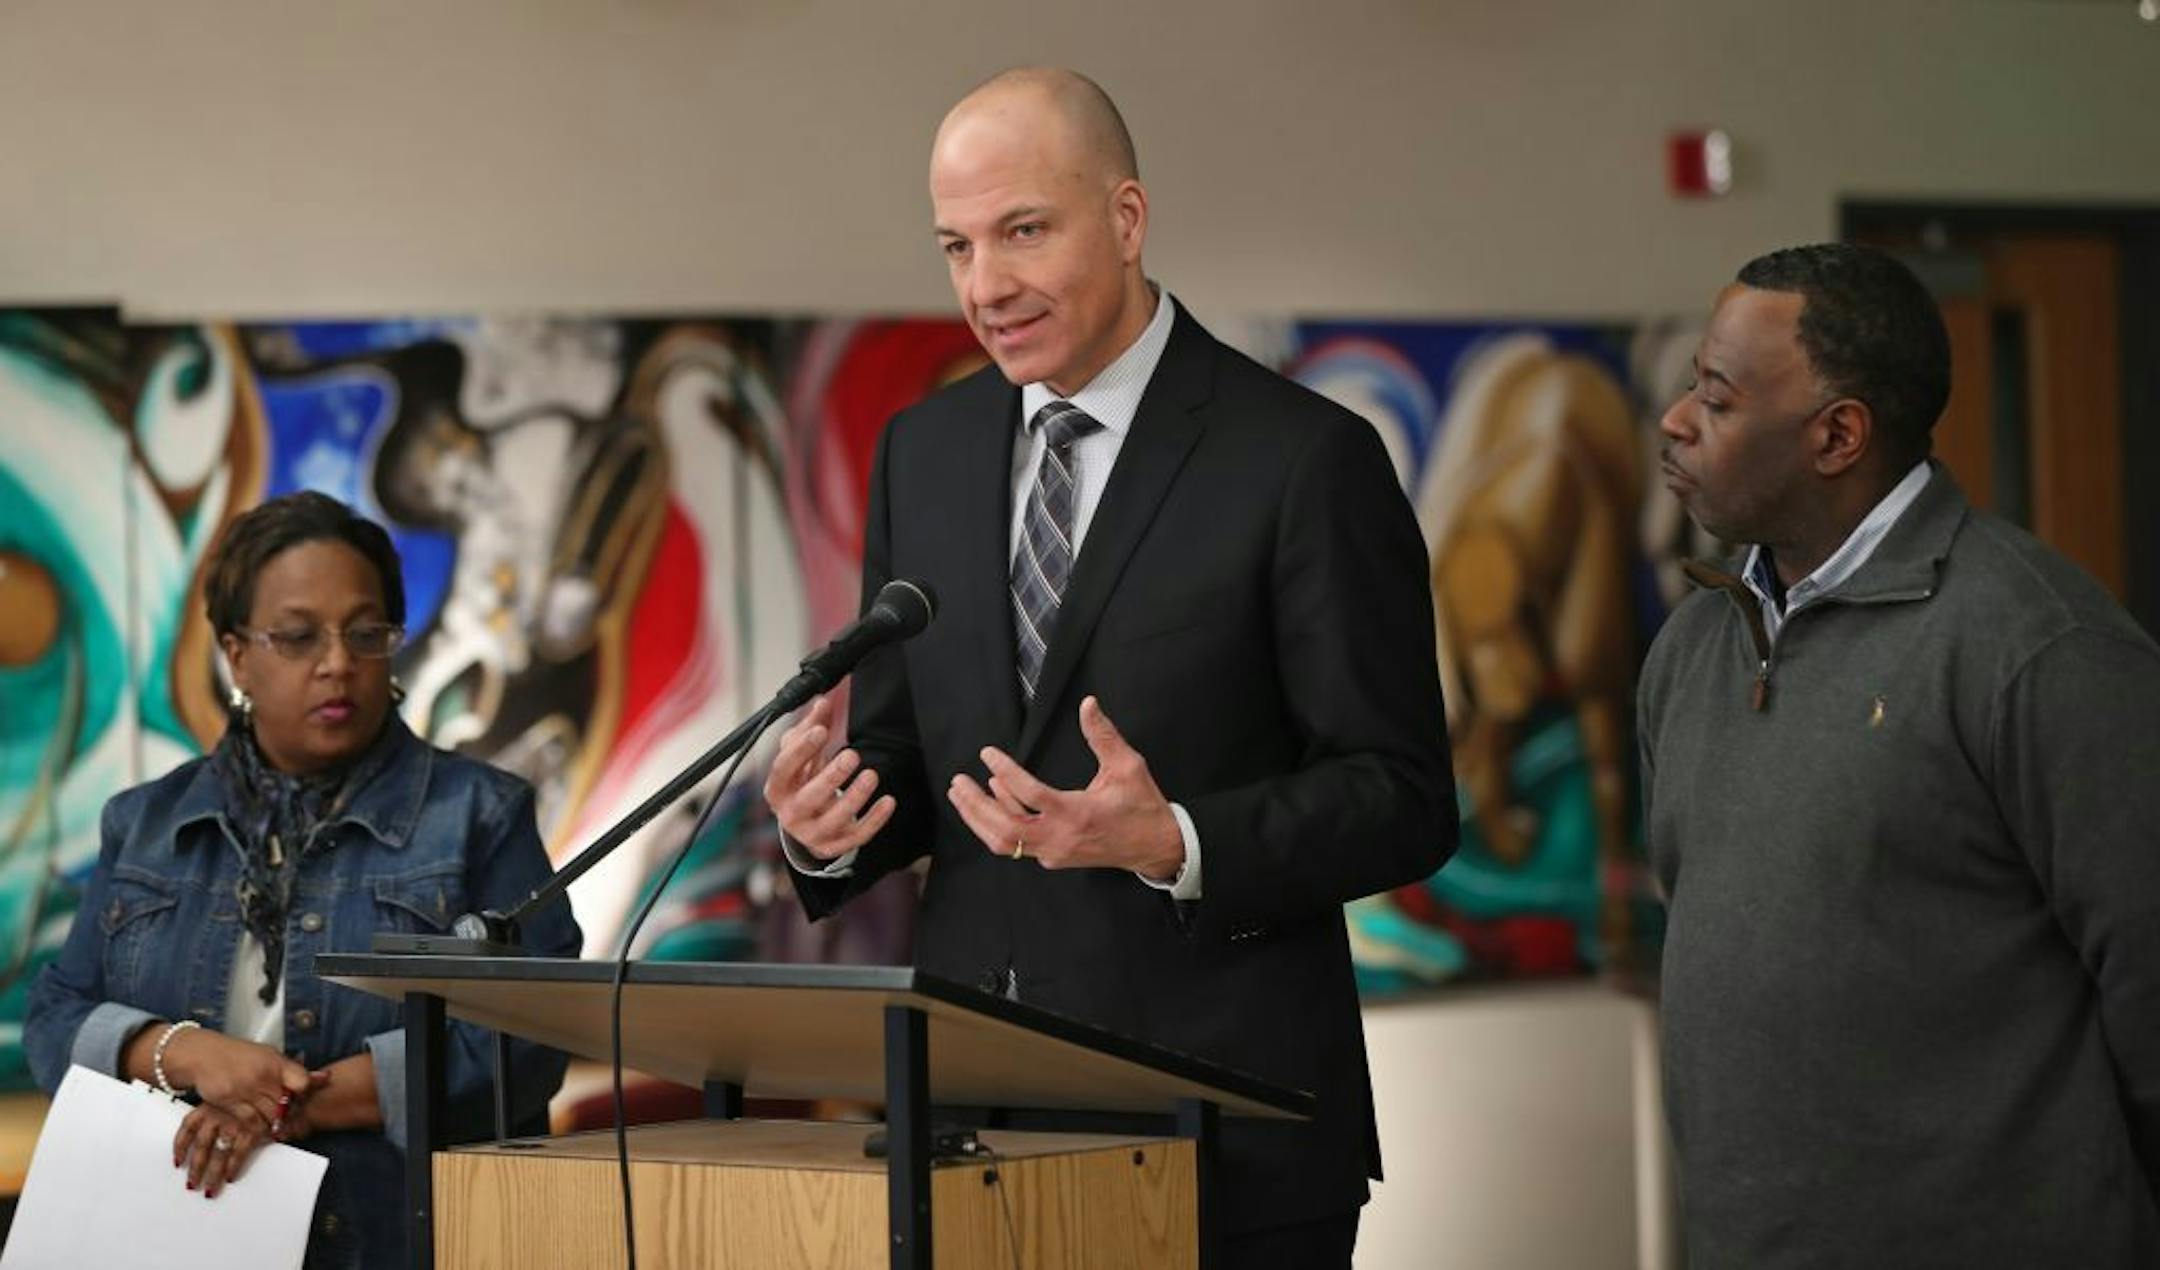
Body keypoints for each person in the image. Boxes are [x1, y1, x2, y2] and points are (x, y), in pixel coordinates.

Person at [761, 67, 1454, 1266]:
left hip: (1229, 1138)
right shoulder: (921, 453)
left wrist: (1175, 839)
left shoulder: (1303, 460)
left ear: (1127, 221)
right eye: (957, 246)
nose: (987, 286)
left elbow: (1402, 797)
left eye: (1024, 231)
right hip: (975, 1132)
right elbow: (907, 754)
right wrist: (827, 826)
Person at [1642, 243, 2160, 1266]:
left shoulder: (2038, 644)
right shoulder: (1691, 645)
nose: (1676, 418)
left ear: (1838, 435)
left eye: (1718, 395)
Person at [25, 490, 581, 1269]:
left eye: (366, 633)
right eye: (296, 636)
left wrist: (293, 1106)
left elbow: (532, 1040)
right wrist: (182, 1054)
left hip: (396, 1236)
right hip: (175, 1232)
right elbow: (54, 1019)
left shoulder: (478, 817)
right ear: (236, 654)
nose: (337, 663)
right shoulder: (146, 823)